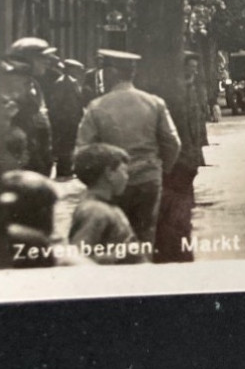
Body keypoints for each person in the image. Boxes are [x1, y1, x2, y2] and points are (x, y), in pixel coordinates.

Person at [75, 50, 181, 248]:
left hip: (110, 182)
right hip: (148, 179)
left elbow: (83, 151)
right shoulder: (154, 102)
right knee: (145, 237)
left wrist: (96, 181)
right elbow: (173, 143)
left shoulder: (96, 106)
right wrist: (160, 168)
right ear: (132, 73)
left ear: (111, 73)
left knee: (114, 240)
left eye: (104, 71)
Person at [155, 52, 208, 263]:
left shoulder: (193, 87)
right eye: (189, 67)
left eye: (195, 67)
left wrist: (199, 143)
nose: (192, 71)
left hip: (191, 146)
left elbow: (196, 118)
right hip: (180, 149)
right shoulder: (176, 91)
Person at [69, 143, 148, 264]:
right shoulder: (95, 210)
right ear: (109, 173)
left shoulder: (104, 206)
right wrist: (123, 254)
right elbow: (79, 257)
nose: (127, 177)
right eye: (124, 171)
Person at [1, 37, 56, 176]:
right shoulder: (10, 85)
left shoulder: (32, 83)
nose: (47, 62)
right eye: (42, 58)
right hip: (17, 155)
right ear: (26, 60)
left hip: (34, 150)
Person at [46, 56, 87, 181]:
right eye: (76, 69)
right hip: (65, 120)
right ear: (69, 70)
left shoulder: (72, 82)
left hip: (72, 119)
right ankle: (63, 171)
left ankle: (66, 169)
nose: (79, 72)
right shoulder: (62, 82)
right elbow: (55, 103)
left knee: (69, 144)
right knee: (65, 145)